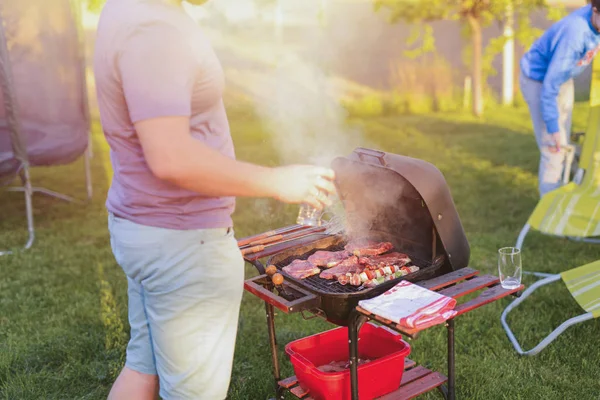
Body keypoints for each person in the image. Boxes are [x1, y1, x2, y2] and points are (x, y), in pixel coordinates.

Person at [93, 0, 336, 399]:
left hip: (142, 228)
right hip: (183, 245)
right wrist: (277, 181)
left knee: (142, 370)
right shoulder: (156, 31)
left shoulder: (127, 8)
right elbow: (170, 157)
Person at [520, 1, 600, 197]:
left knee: (565, 139)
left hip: (562, 77)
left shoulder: (594, 18)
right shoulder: (575, 34)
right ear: (595, 11)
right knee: (554, 148)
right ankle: (548, 216)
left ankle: (571, 186)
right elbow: (549, 87)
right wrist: (553, 129)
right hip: (540, 82)